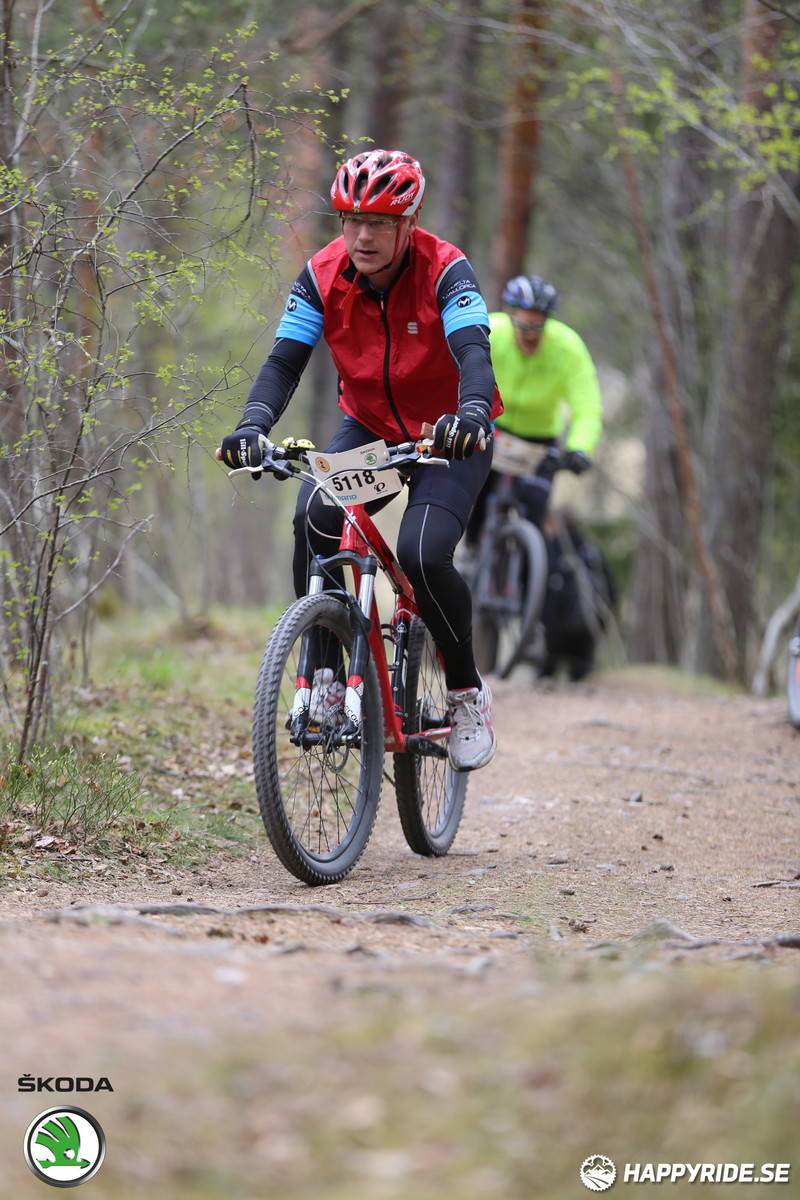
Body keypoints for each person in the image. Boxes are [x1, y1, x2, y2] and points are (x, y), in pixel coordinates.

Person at [220, 149, 502, 771]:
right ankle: (323, 674)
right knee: (315, 517)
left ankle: (464, 693)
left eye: (379, 221)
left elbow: (473, 352)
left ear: (409, 223)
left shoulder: (446, 269)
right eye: (351, 219)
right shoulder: (321, 274)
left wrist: (473, 413)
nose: (362, 236)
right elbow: (283, 363)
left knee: (424, 553)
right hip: (370, 430)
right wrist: (251, 427)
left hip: (447, 436)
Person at [466, 274, 603, 541]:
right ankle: (472, 552)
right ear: (510, 315)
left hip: (538, 440)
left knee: (535, 510)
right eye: (524, 326)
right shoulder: (491, 332)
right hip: (494, 428)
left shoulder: (568, 348)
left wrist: (580, 448)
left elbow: (587, 404)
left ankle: (528, 572)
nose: (531, 336)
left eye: (539, 327)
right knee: (475, 498)